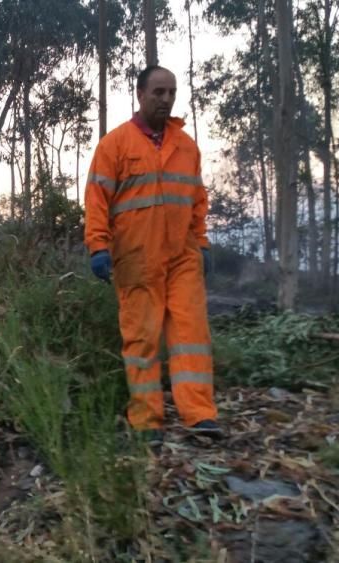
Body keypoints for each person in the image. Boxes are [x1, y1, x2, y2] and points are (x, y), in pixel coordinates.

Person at [84, 65, 221, 445]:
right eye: (158, 92)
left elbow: (197, 201)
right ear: (140, 94)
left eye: (171, 92)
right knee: (142, 339)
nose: (165, 99)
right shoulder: (115, 145)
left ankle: (200, 414)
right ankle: (147, 421)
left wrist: (202, 242)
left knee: (191, 334)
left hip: (182, 258)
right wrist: (98, 245)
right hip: (136, 258)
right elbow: (97, 200)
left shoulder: (186, 147)